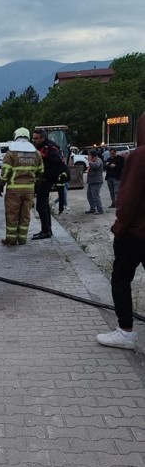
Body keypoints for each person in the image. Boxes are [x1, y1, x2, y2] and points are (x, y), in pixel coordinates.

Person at [97, 113, 145, 350]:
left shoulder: (140, 157)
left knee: (121, 278)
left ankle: (126, 332)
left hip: (136, 234)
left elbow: (127, 199)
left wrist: (119, 228)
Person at [0, 127, 43, 245]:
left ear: (15, 136)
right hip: (29, 190)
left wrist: (1, 185)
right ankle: (22, 238)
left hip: (13, 190)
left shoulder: (11, 153)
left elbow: (5, 171)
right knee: (25, 214)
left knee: (12, 214)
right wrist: (35, 183)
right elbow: (40, 171)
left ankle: (11, 239)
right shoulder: (36, 153)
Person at [31, 128, 65, 239]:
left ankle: (46, 231)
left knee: (41, 206)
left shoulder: (50, 148)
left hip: (46, 180)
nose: (34, 140)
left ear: (43, 137)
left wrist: (48, 177)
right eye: (33, 138)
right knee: (43, 205)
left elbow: (57, 164)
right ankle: (46, 230)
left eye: (36, 138)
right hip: (42, 179)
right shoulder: (40, 147)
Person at [85, 149, 104, 214]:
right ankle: (92, 208)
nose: (88, 156)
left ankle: (100, 209)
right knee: (89, 196)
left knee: (95, 196)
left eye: (89, 155)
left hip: (96, 181)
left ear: (92, 155)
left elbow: (96, 166)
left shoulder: (98, 160)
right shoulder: (93, 160)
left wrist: (90, 162)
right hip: (91, 181)